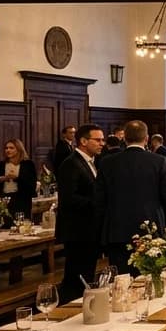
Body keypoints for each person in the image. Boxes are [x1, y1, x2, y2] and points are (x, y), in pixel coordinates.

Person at [96, 120, 166, 272]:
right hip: (149, 230)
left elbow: (99, 199)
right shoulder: (158, 161)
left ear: (124, 139)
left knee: (121, 277)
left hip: (117, 230)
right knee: (151, 275)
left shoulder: (107, 162)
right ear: (146, 139)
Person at [55, 124, 105, 304]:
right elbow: (69, 199)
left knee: (87, 272)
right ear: (84, 141)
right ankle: (69, 306)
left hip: (89, 230)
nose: (102, 143)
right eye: (97, 140)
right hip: (78, 230)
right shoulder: (71, 164)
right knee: (76, 275)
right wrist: (99, 203)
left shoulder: (91, 162)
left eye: (102, 139)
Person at [0, 138, 38, 218]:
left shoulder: (27, 164)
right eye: (6, 148)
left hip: (22, 200)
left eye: (11, 148)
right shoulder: (1, 165)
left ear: (19, 149)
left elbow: (31, 184)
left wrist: (16, 178)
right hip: (5, 200)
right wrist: (1, 180)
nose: (8, 150)